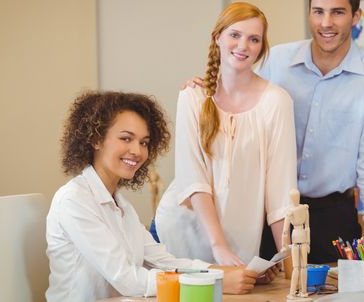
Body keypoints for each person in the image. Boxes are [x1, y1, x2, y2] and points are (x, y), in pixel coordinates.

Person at [45, 91, 258, 302]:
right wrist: (213, 281)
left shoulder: (122, 206)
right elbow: (126, 279)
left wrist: (231, 273)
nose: (137, 151)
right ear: (96, 139)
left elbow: (164, 262)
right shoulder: (74, 200)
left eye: (144, 142)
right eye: (126, 138)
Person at [258, 0, 364, 268]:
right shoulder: (275, 63)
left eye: (337, 12)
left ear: (356, 16)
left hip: (334, 219)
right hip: (270, 213)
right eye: (318, 11)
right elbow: (236, 106)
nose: (326, 23)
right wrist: (205, 85)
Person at [155, 2, 297, 275]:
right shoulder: (192, 96)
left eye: (254, 39)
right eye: (235, 34)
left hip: (240, 243)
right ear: (217, 37)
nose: (243, 45)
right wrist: (218, 245)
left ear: (261, 48)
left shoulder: (277, 102)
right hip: (182, 230)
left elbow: (280, 193)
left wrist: (290, 264)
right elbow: (193, 179)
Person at [282, 189, 310, 300]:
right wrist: (308, 242)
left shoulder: (290, 211)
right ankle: (303, 291)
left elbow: (285, 231)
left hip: (296, 239)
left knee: (296, 268)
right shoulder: (304, 208)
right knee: (303, 267)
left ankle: (293, 293)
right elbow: (307, 227)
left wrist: (284, 245)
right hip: (303, 238)